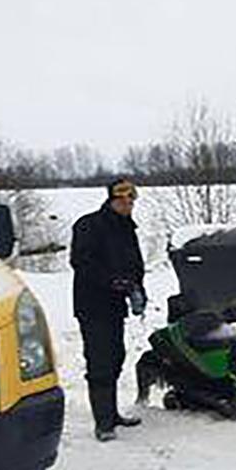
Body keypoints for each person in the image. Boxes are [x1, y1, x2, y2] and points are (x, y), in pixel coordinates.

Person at [70, 179, 146, 441]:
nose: (127, 204)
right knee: (100, 361)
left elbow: (135, 264)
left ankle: (112, 413)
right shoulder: (89, 225)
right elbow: (82, 262)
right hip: (93, 305)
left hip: (115, 305)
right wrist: (114, 281)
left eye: (131, 200)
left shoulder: (127, 228)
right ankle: (103, 423)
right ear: (111, 200)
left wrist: (138, 289)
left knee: (116, 357)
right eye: (122, 200)